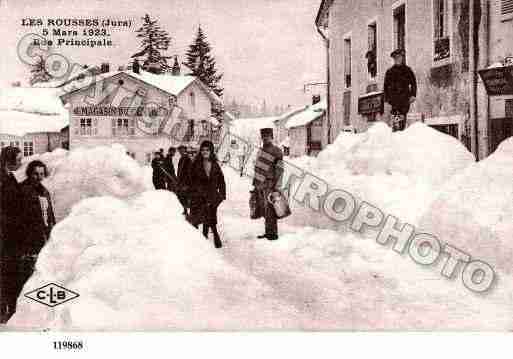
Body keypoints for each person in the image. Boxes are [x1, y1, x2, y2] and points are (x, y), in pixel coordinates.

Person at [18, 160, 55, 303]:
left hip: (43, 235)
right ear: (29, 174)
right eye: (35, 174)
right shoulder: (22, 190)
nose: (39, 177)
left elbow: (50, 213)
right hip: (28, 238)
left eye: (41, 174)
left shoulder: (44, 191)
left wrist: (52, 230)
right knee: (27, 270)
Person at [0, 146, 23, 323]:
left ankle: (8, 308)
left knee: (10, 270)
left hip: (12, 232)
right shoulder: (2, 178)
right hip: (3, 232)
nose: (21, 162)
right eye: (19, 159)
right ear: (9, 160)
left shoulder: (11, 177)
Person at [189, 141, 226, 248]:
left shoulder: (215, 165)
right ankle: (203, 240)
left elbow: (221, 180)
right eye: (203, 150)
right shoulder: (195, 164)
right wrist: (195, 192)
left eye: (207, 150)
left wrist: (222, 194)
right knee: (199, 218)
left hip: (212, 195)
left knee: (211, 217)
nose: (205, 152)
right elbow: (191, 180)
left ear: (211, 151)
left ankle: (210, 236)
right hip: (199, 196)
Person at [253, 128, 283, 241]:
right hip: (260, 184)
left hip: (270, 184)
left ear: (272, 137)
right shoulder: (260, 150)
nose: (265, 138)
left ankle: (273, 233)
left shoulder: (277, 151)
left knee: (271, 208)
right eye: (263, 136)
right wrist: (255, 184)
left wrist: (277, 185)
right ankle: (268, 231)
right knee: (264, 209)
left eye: (268, 136)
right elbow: (258, 168)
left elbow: (280, 169)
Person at [383, 48, 417, 131]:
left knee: (403, 118)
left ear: (402, 58)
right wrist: (387, 98)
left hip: (405, 99)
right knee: (396, 120)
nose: (398, 59)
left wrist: (413, 95)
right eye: (396, 58)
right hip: (394, 100)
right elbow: (386, 86)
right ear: (394, 59)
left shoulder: (407, 70)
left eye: (400, 57)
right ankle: (396, 132)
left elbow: (413, 83)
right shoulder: (390, 72)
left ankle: (402, 131)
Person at [176, 145, 192, 215]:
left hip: (185, 182)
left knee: (186, 197)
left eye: (182, 150)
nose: (180, 151)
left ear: (185, 150)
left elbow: (189, 171)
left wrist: (187, 183)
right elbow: (179, 170)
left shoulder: (187, 159)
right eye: (179, 150)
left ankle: (189, 212)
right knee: (181, 196)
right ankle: (185, 210)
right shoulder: (181, 158)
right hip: (181, 181)